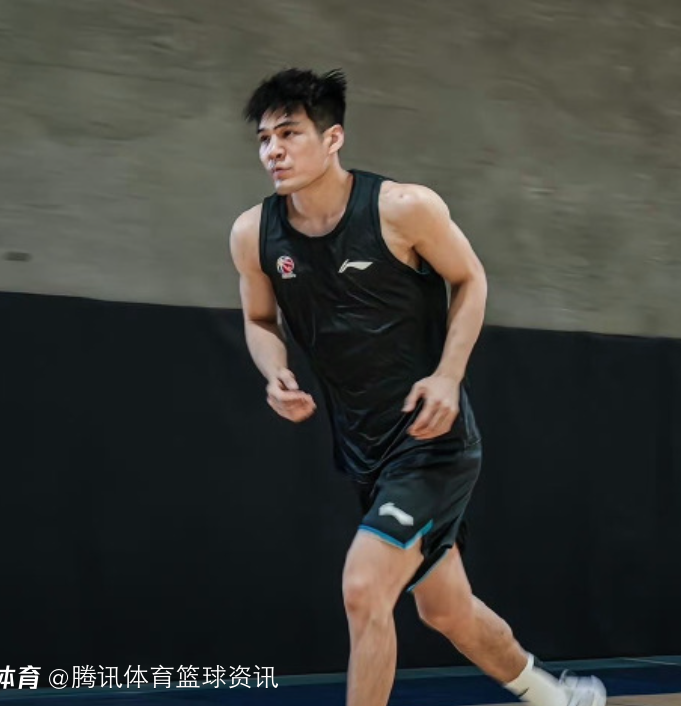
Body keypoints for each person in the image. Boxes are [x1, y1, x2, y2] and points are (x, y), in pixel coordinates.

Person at [229, 68, 607, 706]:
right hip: (365, 451)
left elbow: (471, 279)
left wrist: (448, 376)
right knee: (446, 611)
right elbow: (260, 320)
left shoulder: (402, 208)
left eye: (289, 133)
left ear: (333, 138)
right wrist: (274, 371)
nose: (274, 150)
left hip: (434, 443)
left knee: (363, 587)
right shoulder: (254, 234)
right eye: (264, 138)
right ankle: (556, 698)